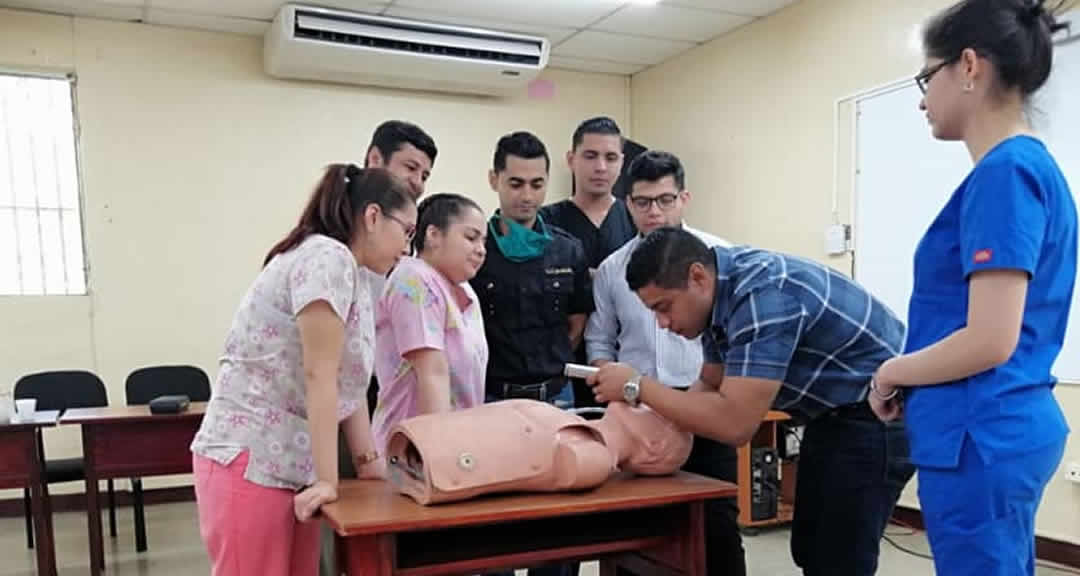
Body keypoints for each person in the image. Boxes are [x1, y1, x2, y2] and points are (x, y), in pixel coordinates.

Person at [868, 2, 1075, 575]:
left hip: (980, 433)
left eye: (924, 78)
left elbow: (988, 339)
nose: (921, 98)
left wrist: (891, 372)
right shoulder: (1026, 169)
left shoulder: (1005, 175)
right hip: (994, 428)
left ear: (967, 67)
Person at [588, 228, 914, 576]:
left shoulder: (764, 294)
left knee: (838, 559)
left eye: (663, 308)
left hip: (881, 413)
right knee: (810, 546)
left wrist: (638, 386)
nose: (663, 324)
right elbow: (710, 383)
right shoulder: (718, 298)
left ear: (697, 277)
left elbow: (735, 424)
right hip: (831, 415)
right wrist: (658, 428)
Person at [190, 165, 416, 576]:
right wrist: (329, 480)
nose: (407, 247)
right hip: (251, 460)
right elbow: (319, 376)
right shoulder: (326, 257)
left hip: (290, 467)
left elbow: (348, 382)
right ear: (372, 217)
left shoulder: (356, 275)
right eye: (407, 232)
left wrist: (367, 463)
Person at [584, 150, 744, 576]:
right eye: (642, 202)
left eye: (665, 200)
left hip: (706, 401)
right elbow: (599, 340)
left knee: (717, 519)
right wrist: (615, 387)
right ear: (628, 204)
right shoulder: (612, 269)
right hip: (638, 410)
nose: (653, 212)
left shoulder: (720, 257)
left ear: (684, 198)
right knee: (634, 524)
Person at [471, 131, 592, 576]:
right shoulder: (473, 248)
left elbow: (577, 320)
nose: (527, 195)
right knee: (496, 520)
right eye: (516, 183)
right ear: (494, 180)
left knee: (558, 522)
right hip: (491, 400)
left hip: (554, 399)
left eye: (537, 184)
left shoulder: (567, 248)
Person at [370, 193, 489, 453]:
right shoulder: (413, 280)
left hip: (459, 448)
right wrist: (438, 454)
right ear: (433, 235)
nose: (481, 249)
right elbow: (431, 373)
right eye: (471, 237)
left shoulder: (465, 290)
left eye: (484, 241)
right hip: (414, 452)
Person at [540, 116, 638, 408]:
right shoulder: (545, 222)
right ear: (571, 159)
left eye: (610, 158)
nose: (600, 167)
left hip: (627, 360)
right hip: (562, 363)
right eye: (590, 156)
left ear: (621, 162)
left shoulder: (636, 218)